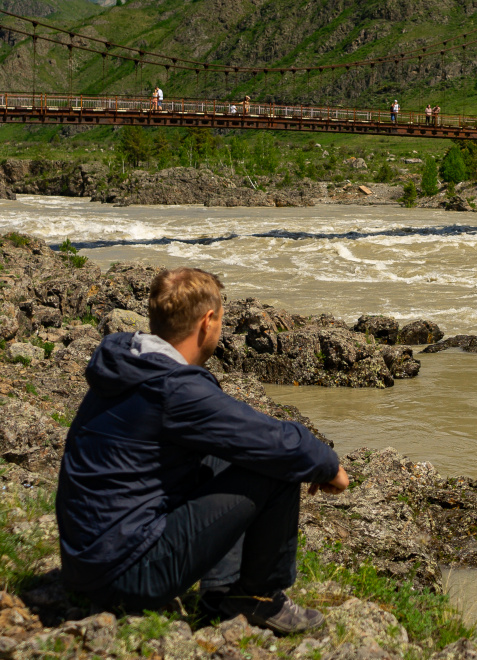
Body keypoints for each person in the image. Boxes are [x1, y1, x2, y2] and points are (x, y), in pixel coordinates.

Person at [56, 268, 346, 632]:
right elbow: (280, 443)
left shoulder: (128, 363)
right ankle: (259, 597)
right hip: (126, 577)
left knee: (226, 449)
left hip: (86, 563)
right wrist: (329, 465)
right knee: (279, 463)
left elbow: (240, 434)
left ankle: (220, 593)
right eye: (221, 321)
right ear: (207, 323)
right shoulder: (173, 389)